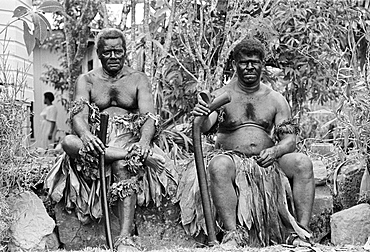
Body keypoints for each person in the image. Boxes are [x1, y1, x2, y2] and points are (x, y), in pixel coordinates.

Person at [45, 28, 174, 252]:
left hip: (128, 138)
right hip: (96, 142)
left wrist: (144, 142)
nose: (113, 57)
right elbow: (78, 115)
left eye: (118, 52)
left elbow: (149, 116)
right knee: (68, 142)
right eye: (108, 52)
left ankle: (125, 239)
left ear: (125, 52)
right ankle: (128, 155)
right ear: (99, 53)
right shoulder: (87, 80)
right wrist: (86, 135)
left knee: (122, 165)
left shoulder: (138, 79)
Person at [189, 38, 315, 247]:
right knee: (219, 165)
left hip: (266, 161)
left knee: (302, 162)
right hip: (232, 161)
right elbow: (205, 127)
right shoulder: (221, 95)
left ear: (262, 65)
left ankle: (301, 233)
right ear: (234, 65)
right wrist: (201, 114)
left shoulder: (275, 99)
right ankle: (232, 235)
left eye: (254, 62)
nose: (249, 67)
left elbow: (289, 140)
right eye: (244, 62)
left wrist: (275, 152)